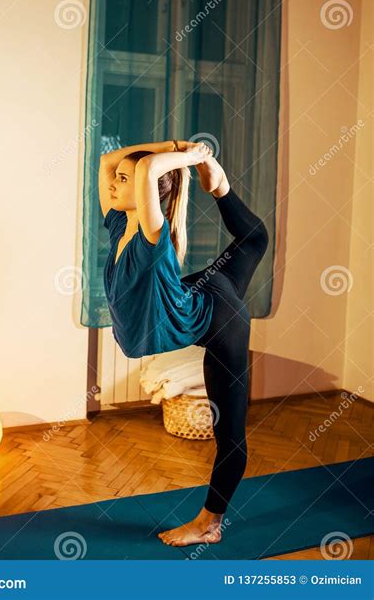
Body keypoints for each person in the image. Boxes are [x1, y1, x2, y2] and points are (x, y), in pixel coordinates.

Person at [99, 139, 269, 546]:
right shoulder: (121, 224)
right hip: (199, 294)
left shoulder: (152, 235)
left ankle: (209, 524)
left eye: (123, 181)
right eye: (118, 180)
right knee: (255, 240)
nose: (112, 185)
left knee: (229, 433)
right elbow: (107, 160)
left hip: (219, 321)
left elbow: (145, 170)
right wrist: (175, 145)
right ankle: (222, 188)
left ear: (147, 191)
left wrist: (196, 158)